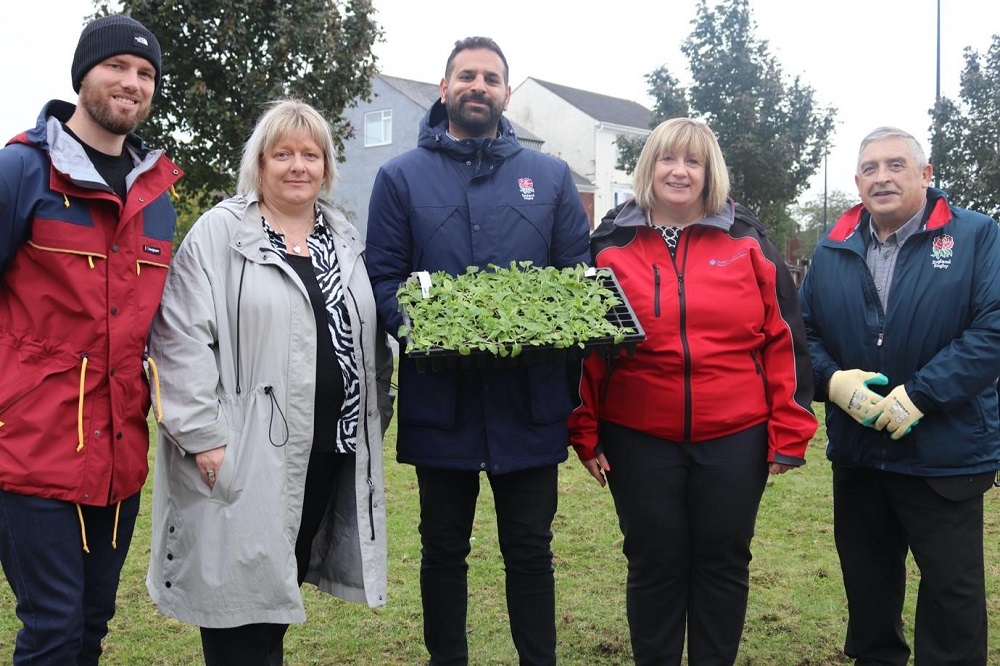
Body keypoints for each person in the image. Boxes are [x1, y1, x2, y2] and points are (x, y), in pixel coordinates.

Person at [366, 36, 590, 665]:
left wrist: (541, 323)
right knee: (442, 549)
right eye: (466, 75)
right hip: (444, 398)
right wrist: (424, 327)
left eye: (491, 78)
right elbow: (383, 276)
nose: (478, 87)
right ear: (444, 88)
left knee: (529, 547)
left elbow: (576, 274)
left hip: (529, 399)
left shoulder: (548, 177)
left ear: (505, 94)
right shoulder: (400, 176)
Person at [145, 99, 394, 665]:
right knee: (238, 611)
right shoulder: (221, 233)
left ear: (327, 167)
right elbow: (179, 336)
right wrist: (204, 435)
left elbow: (368, 337)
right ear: (259, 163)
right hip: (244, 453)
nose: (297, 166)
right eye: (283, 153)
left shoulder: (343, 238)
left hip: (323, 455)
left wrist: (372, 412)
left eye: (311, 154)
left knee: (276, 593)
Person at [568, 118, 817, 665]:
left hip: (736, 437)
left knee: (723, 563)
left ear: (710, 172)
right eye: (667, 159)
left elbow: (784, 339)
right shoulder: (609, 244)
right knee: (653, 564)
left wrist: (789, 430)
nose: (679, 171)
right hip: (638, 438)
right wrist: (584, 432)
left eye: (693, 161)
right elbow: (586, 348)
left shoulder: (747, 240)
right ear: (649, 167)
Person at [0, 14, 181, 664]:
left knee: (90, 629)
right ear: (84, 75)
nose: (131, 82)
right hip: (33, 454)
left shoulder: (157, 195)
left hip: (120, 459)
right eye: (117, 67)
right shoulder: (22, 170)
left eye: (145, 73)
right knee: (51, 632)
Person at [799, 126, 1000, 665]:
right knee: (868, 595)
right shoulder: (832, 246)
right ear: (857, 180)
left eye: (896, 165)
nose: (882, 177)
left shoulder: (978, 236)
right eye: (870, 168)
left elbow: (993, 330)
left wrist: (923, 396)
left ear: (925, 175)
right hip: (861, 454)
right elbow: (804, 334)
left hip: (945, 452)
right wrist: (832, 383)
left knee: (951, 597)